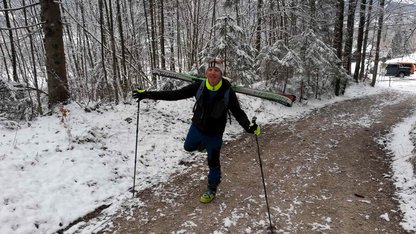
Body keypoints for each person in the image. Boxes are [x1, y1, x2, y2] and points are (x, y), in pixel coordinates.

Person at [132, 58, 260, 203]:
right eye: (210, 70)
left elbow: (238, 112)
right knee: (188, 147)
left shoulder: (227, 91)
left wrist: (249, 127)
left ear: (221, 73)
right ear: (206, 72)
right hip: (197, 127)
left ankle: (212, 187)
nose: (213, 73)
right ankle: (203, 145)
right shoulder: (199, 86)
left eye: (216, 70)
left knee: (213, 162)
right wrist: (148, 94)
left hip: (215, 133)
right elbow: (175, 95)